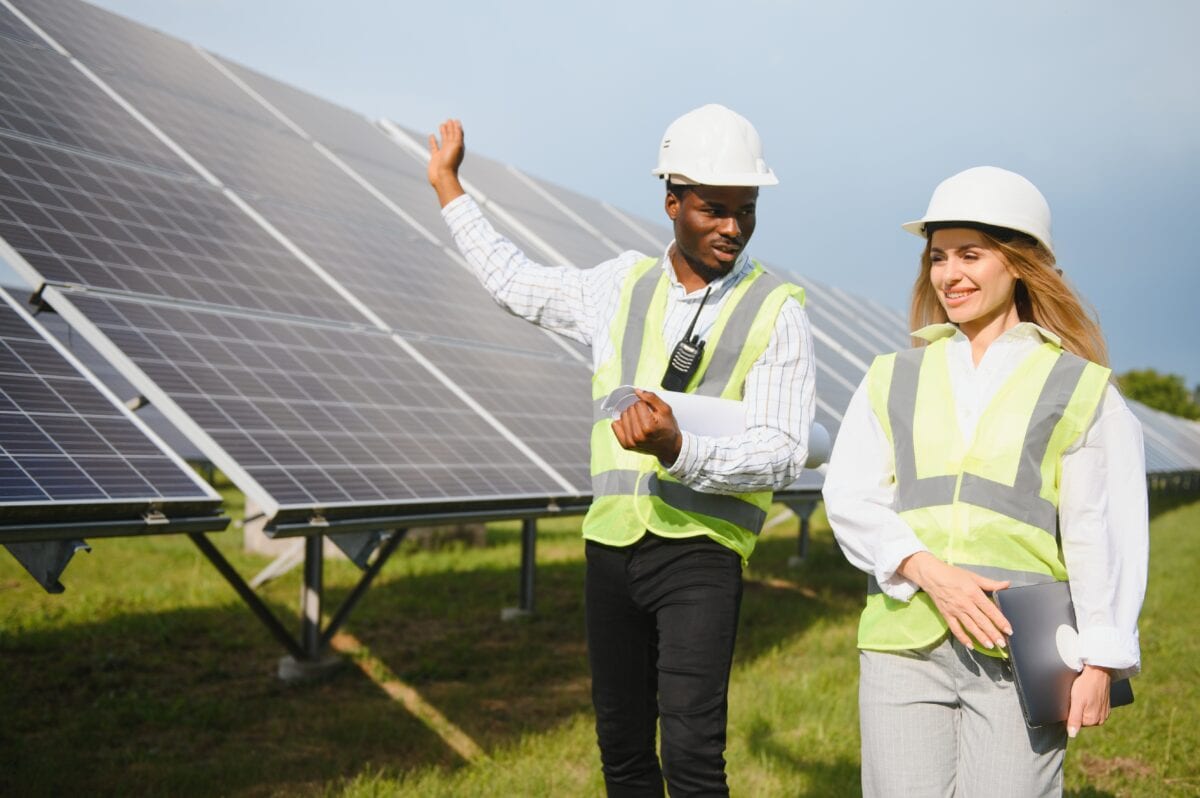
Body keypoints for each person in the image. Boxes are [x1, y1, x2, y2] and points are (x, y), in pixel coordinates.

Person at [427, 105, 815, 796]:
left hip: (702, 551)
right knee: (623, 754)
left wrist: (682, 449)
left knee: (693, 758)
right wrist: (448, 190)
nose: (733, 227)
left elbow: (785, 451)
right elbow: (515, 284)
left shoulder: (777, 309)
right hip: (610, 549)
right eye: (713, 209)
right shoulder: (618, 285)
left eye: (746, 210)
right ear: (672, 201)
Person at [822, 166, 1148, 797]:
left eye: (971, 255)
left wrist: (1102, 656)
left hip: (1021, 649)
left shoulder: (1080, 389)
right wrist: (928, 571)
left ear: (1021, 265)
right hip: (904, 638)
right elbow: (850, 495)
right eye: (939, 257)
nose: (950, 274)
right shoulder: (893, 375)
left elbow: (1101, 532)